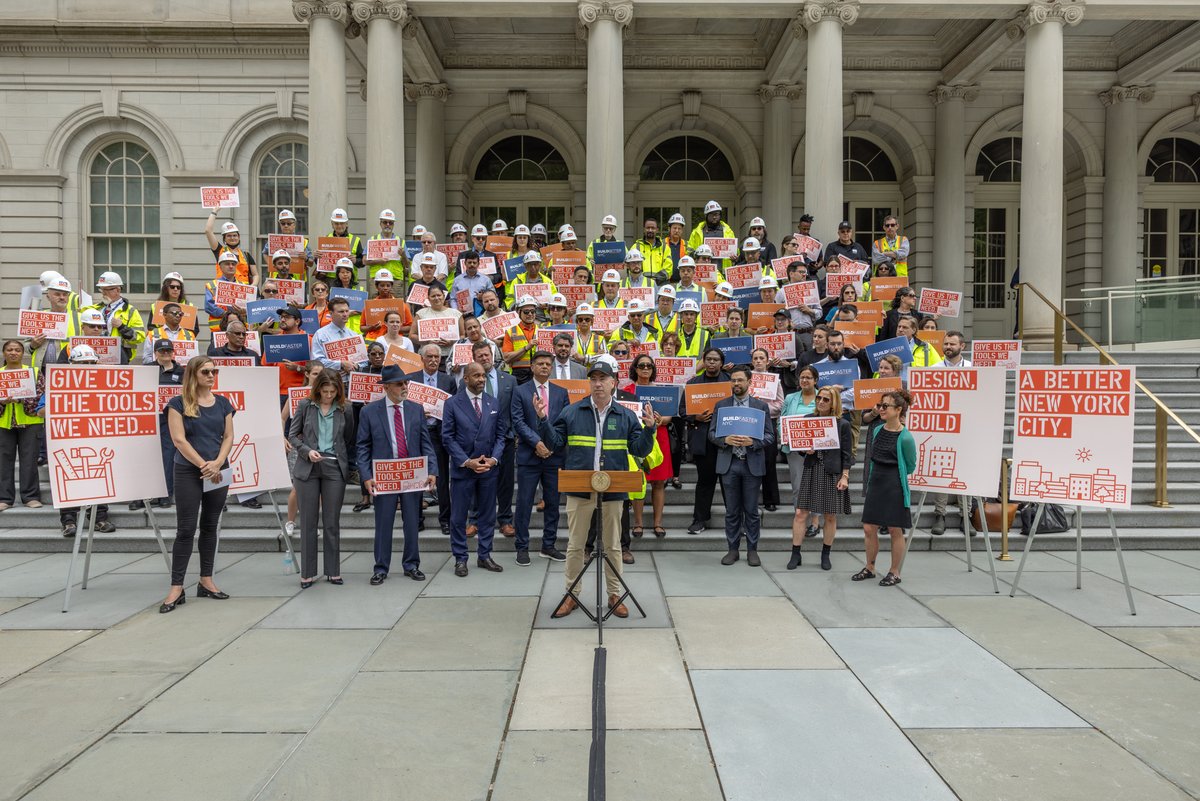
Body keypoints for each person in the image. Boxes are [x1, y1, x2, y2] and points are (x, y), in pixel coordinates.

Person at [537, 358, 657, 619]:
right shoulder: (572, 412)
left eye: (603, 378)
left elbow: (639, 449)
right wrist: (544, 420)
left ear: (614, 383)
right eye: (593, 379)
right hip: (579, 489)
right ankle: (572, 595)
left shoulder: (625, 415)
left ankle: (614, 594)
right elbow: (555, 443)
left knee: (613, 545)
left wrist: (649, 430)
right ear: (588, 382)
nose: (598, 383)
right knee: (575, 545)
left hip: (613, 490)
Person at [160, 356, 235, 613]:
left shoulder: (223, 403)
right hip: (188, 471)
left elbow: (228, 436)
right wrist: (205, 464)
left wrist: (218, 462)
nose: (211, 376)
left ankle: (206, 580)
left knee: (210, 526)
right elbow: (179, 440)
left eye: (214, 371)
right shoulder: (177, 404)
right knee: (186, 529)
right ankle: (176, 587)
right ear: (193, 374)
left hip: (218, 471)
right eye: (206, 372)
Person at [288, 368, 357, 589]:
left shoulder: (345, 409)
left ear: (338, 390)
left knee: (331, 522)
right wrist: (307, 450)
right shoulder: (305, 406)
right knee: (308, 522)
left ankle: (333, 571)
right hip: (308, 467)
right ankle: (307, 573)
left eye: (332, 391)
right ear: (318, 390)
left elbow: (348, 439)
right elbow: (292, 435)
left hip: (334, 467)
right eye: (325, 391)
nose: (328, 395)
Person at [441, 362, 508, 577]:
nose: (481, 379)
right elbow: (448, 437)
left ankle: (485, 555)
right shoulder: (452, 404)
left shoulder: (493, 402)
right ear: (466, 379)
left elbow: (500, 435)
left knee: (488, 515)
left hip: (488, 469)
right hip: (464, 469)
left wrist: (494, 459)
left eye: (483, 376)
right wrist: (466, 461)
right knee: (459, 517)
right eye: (476, 376)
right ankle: (461, 558)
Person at [709, 366, 773, 566]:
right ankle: (733, 549)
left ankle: (752, 550)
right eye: (733, 380)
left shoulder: (760, 407)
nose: (736, 384)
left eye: (740, 380)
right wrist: (724, 439)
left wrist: (753, 443)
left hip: (751, 463)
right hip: (729, 464)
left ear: (749, 382)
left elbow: (770, 436)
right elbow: (711, 434)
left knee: (752, 511)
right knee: (732, 511)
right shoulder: (721, 406)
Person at [510, 350, 568, 565]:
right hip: (529, 455)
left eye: (548, 364)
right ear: (532, 367)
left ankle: (549, 545)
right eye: (540, 363)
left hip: (554, 457)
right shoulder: (520, 391)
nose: (545, 366)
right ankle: (522, 547)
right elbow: (518, 421)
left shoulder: (561, 393)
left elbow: (563, 424)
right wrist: (537, 443)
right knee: (524, 503)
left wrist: (550, 445)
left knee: (553, 503)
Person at [856, 389, 917, 587]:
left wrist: (893, 477)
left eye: (885, 406)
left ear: (898, 410)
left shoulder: (906, 437)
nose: (880, 409)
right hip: (876, 480)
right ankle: (870, 567)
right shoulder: (876, 430)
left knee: (894, 529)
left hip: (894, 483)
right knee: (868, 527)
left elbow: (910, 465)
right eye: (880, 405)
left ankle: (894, 571)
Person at [788, 386, 852, 571]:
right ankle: (795, 553)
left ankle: (826, 554)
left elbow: (847, 454)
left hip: (832, 472)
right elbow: (800, 446)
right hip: (812, 468)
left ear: (834, 402)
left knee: (830, 516)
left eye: (826, 399)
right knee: (801, 513)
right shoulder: (809, 419)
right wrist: (805, 449)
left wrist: (845, 476)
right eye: (819, 398)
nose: (821, 402)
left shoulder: (843, 424)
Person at [408, 344, 457, 536]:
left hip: (439, 433)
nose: (434, 360)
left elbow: (454, 407)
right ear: (421, 358)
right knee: (417, 477)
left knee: (442, 478)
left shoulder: (448, 380)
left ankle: (445, 519)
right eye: (429, 357)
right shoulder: (411, 380)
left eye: (437, 357)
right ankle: (417, 519)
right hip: (417, 433)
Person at [471, 342, 518, 537]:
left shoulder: (509, 380)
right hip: (477, 440)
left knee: (506, 482)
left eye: (487, 354)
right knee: (476, 480)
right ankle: (475, 519)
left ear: (493, 355)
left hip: (505, 439)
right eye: (480, 356)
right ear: (474, 359)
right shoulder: (468, 382)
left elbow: (515, 410)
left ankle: (505, 520)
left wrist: (514, 434)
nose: (484, 358)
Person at [625, 353, 672, 539]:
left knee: (659, 482)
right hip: (636, 438)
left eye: (649, 366)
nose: (645, 368)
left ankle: (658, 523)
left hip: (658, 436)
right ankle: (637, 523)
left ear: (653, 370)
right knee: (638, 482)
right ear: (635, 368)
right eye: (641, 365)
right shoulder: (627, 390)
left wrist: (662, 420)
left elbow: (670, 416)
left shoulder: (661, 390)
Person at [685, 348, 731, 534]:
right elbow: (682, 411)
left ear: (721, 362)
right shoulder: (693, 383)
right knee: (705, 482)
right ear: (703, 361)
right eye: (708, 359)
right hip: (703, 441)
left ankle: (736, 520)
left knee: (730, 482)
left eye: (716, 360)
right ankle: (700, 519)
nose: (712, 363)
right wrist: (695, 417)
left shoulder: (729, 382)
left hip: (727, 440)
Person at [930, 331, 971, 536]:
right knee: (941, 471)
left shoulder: (972, 368)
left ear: (961, 346)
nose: (948, 347)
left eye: (952, 344)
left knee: (966, 472)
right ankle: (940, 514)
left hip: (966, 428)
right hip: (942, 427)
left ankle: (967, 515)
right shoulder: (934, 370)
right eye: (945, 343)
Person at [0, 339, 44, 511]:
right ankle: (4, 498)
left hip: (30, 422)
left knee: (29, 461)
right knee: (3, 461)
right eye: (9, 349)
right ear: (4, 353)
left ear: (22, 353)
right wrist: (2, 403)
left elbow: (42, 395)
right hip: (4, 423)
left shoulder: (33, 372)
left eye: (17, 350)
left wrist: (22, 400)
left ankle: (31, 497)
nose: (13, 353)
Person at [749, 348, 784, 511]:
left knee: (769, 461)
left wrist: (761, 408)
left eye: (761, 358)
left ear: (767, 360)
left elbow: (780, 404)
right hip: (748, 424)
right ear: (752, 361)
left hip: (768, 423)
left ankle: (770, 499)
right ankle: (750, 499)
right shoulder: (746, 379)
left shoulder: (774, 380)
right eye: (755, 358)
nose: (758, 361)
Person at [91, 271, 146, 362]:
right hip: (96, 356)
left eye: (106, 290)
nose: (103, 293)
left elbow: (139, 337)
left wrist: (122, 327)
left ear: (118, 290)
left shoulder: (129, 311)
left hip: (120, 357)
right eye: (101, 289)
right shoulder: (97, 309)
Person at [205, 212, 258, 286]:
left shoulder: (246, 255)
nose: (232, 238)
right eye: (229, 236)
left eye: (235, 235)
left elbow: (255, 275)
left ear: (239, 237)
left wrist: (252, 286)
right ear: (224, 238)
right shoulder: (220, 251)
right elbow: (208, 231)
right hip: (225, 290)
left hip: (242, 292)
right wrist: (214, 211)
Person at [414, 284, 463, 363]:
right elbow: (412, 335)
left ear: (444, 296)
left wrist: (452, 342)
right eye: (433, 296)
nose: (436, 298)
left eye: (439, 295)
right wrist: (427, 341)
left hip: (449, 356)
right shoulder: (420, 314)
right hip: (427, 357)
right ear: (428, 298)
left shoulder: (456, 314)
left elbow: (463, 335)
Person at [688, 200, 737, 271]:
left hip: (723, 272)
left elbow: (735, 251)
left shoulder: (728, 231)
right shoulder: (697, 232)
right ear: (706, 216)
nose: (714, 217)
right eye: (711, 215)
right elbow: (689, 252)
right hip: (703, 272)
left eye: (716, 214)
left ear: (720, 215)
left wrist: (734, 257)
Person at [501, 296, 540, 383]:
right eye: (526, 312)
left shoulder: (542, 330)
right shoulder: (511, 332)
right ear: (519, 312)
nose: (530, 314)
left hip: (538, 372)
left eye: (532, 311)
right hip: (518, 375)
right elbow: (507, 358)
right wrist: (526, 348)